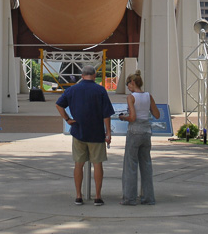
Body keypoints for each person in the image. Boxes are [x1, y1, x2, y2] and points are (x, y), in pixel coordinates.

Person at [55, 64, 114, 206]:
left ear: (82, 76)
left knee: (78, 164)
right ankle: (98, 197)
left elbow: (59, 105)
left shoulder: (72, 89)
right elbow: (106, 114)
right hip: (96, 133)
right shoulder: (100, 90)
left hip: (78, 131)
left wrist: (68, 119)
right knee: (98, 164)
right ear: (94, 76)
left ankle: (78, 196)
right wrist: (108, 131)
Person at [118, 69, 160, 205]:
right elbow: (157, 115)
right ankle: (148, 197)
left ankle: (129, 198)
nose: (128, 87)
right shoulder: (149, 96)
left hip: (134, 131)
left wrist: (124, 118)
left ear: (132, 83)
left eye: (128, 84)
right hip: (146, 132)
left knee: (130, 165)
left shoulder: (131, 97)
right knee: (146, 165)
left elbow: (133, 117)